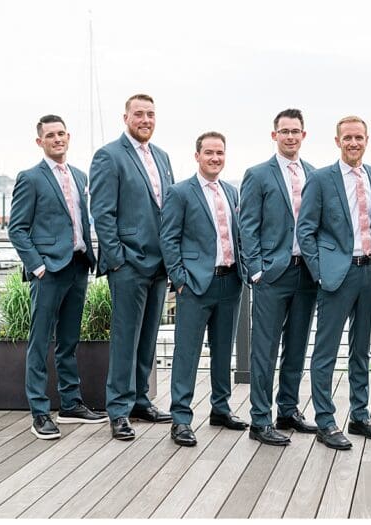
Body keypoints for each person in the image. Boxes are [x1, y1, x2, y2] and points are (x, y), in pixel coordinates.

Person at [296, 116, 371, 450]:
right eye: (347, 138)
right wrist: (320, 271)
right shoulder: (321, 179)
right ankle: (325, 421)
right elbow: (305, 230)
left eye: (359, 137)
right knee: (325, 351)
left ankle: (360, 416)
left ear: (367, 140)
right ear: (337, 141)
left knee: (361, 348)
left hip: (370, 273)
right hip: (336, 274)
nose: (354, 143)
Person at [9, 114, 106, 439]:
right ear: (40, 141)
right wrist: (37, 266)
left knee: (69, 341)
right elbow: (17, 228)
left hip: (78, 266)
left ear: (68, 136)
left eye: (61, 134)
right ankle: (39, 412)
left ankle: (70, 403)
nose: (57, 139)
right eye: (50, 135)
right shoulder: (30, 178)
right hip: (48, 271)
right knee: (39, 343)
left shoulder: (80, 177)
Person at [89, 94, 175, 441]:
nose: (145, 119)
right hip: (128, 264)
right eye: (139, 114)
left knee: (148, 338)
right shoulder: (109, 156)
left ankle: (140, 399)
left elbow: (167, 209)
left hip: (159, 264)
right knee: (126, 339)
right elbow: (102, 214)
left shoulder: (163, 157)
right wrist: (118, 259)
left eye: (151, 114)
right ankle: (119, 410)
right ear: (126, 117)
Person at [160, 132, 249, 447]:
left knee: (224, 349)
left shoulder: (232, 192)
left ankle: (220, 409)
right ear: (197, 155)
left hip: (230, 281)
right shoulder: (180, 192)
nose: (215, 158)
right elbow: (168, 239)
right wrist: (180, 280)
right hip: (196, 285)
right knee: (187, 353)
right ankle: (181, 419)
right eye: (209, 152)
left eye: (220, 152)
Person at [238, 109, 319, 446]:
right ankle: (260, 419)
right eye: (284, 131)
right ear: (274, 135)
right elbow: (247, 226)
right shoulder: (257, 175)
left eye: (295, 131)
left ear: (303, 135)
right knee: (264, 349)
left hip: (307, 274)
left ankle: (288, 409)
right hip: (272, 274)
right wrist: (256, 270)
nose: (290, 136)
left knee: (297, 346)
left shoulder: (315, 175)